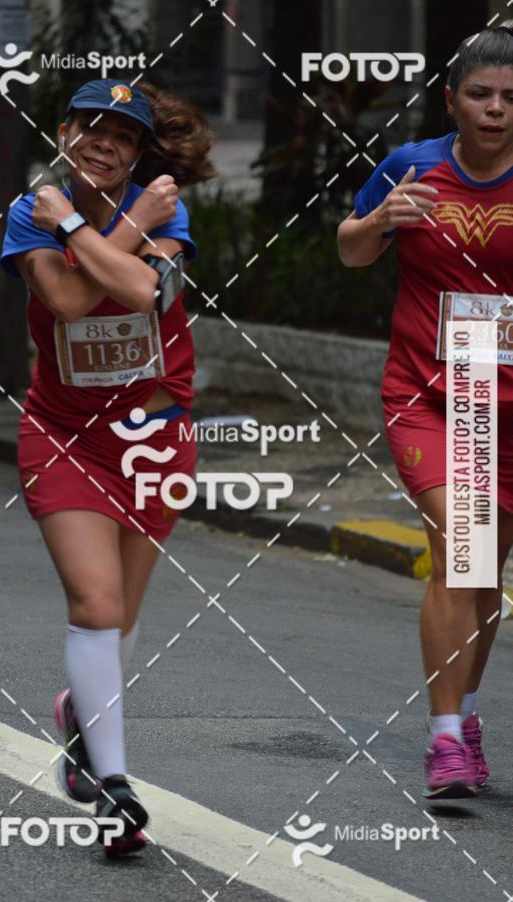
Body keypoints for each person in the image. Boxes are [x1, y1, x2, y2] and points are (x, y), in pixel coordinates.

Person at [0, 77, 215, 852]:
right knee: (96, 605)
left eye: (121, 135)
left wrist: (92, 230)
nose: (105, 144)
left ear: (137, 151)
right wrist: (110, 228)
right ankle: (114, 786)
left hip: (155, 433)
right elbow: (63, 300)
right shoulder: (31, 213)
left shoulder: (166, 208)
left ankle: (78, 715)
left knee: (121, 613)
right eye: (91, 129)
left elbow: (137, 291)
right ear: (65, 133)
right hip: (61, 433)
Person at [337, 23, 513, 798]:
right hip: (428, 394)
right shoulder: (412, 167)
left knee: (486, 577)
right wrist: (380, 220)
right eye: (481, 94)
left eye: (511, 97)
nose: (497, 109)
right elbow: (349, 249)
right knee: (462, 545)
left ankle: (465, 717)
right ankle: (444, 741)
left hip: (507, 403)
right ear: (451, 100)